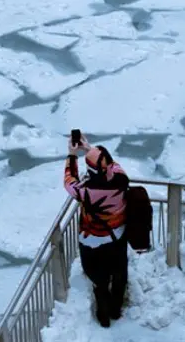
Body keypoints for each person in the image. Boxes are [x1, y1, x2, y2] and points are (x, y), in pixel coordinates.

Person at [64, 134, 129, 327]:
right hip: (116, 236)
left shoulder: (85, 191)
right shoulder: (121, 180)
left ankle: (103, 314)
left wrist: (73, 155)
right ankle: (116, 310)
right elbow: (112, 165)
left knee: (99, 280)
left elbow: (69, 181)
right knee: (119, 274)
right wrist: (91, 150)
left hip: (92, 241)